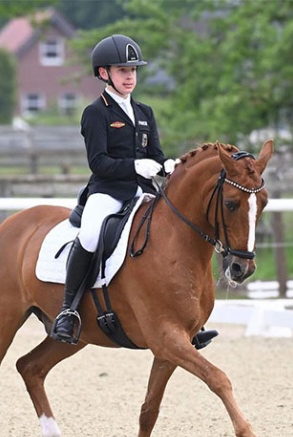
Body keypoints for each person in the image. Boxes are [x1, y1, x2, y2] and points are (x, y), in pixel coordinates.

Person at [50, 34, 217, 350]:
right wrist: (133, 167)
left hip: (142, 193)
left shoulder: (144, 112)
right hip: (107, 192)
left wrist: (164, 164)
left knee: (173, 234)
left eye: (133, 70)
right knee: (89, 235)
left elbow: (154, 152)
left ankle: (189, 320)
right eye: (122, 70)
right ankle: (68, 310)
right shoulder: (96, 112)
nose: (129, 77)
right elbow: (98, 162)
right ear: (104, 74)